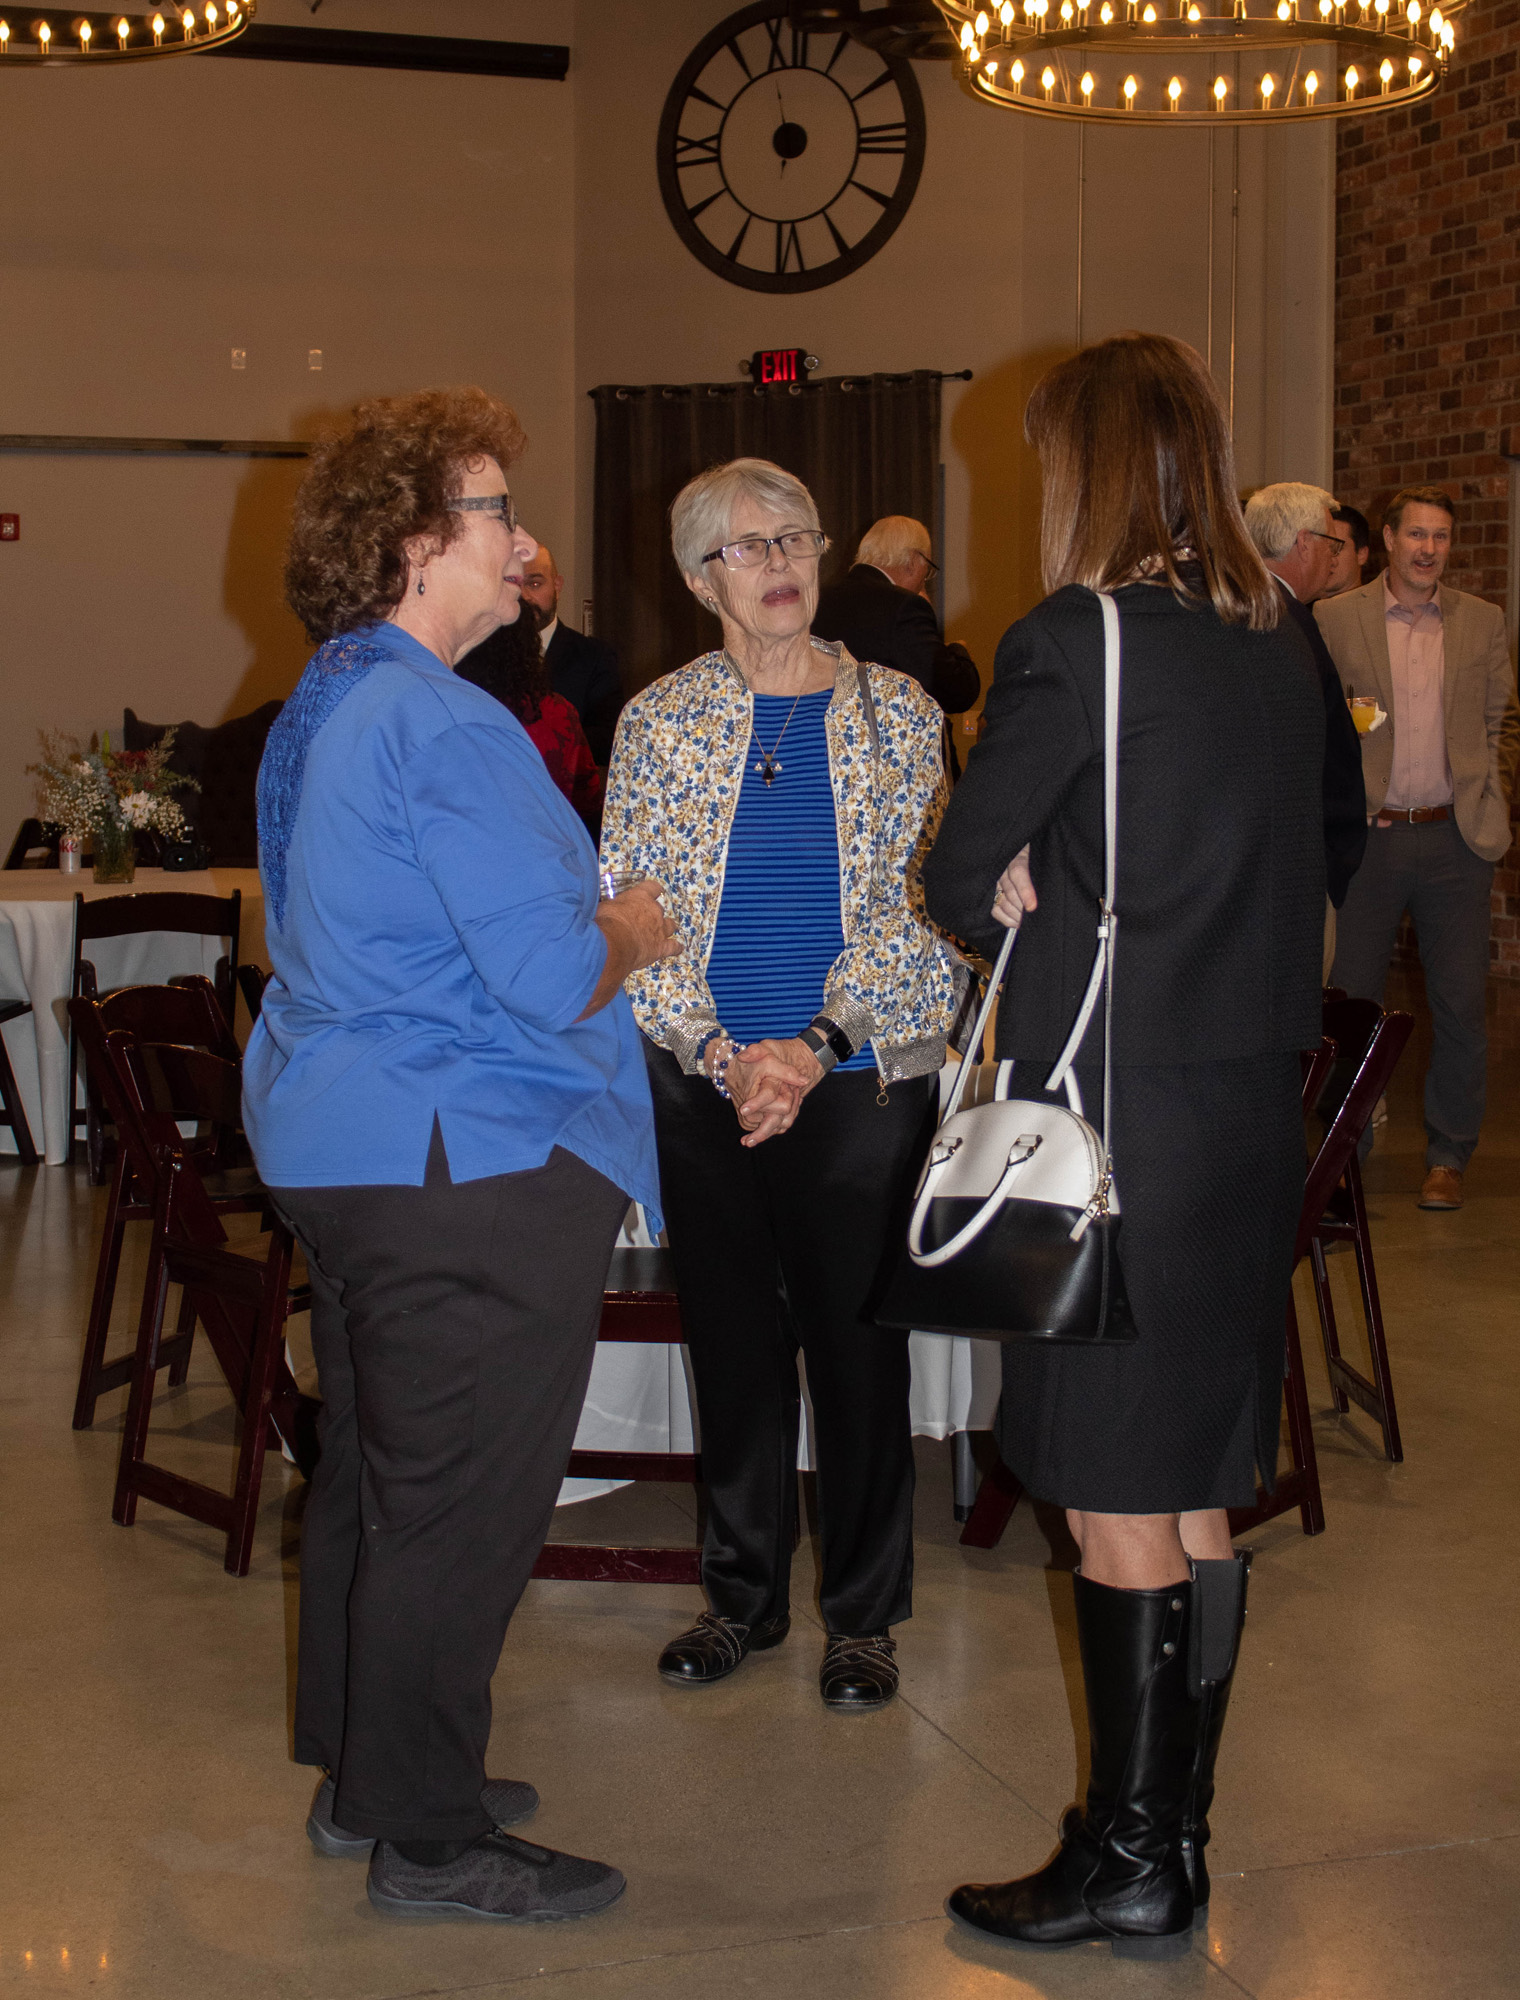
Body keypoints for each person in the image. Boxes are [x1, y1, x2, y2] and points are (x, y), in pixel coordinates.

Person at [243, 388, 680, 1924]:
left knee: (378, 1476)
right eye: (495, 509)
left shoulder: (330, 697)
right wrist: (634, 924)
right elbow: (550, 971)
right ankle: (426, 1839)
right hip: (463, 1158)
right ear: (416, 541)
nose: (525, 539)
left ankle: (370, 1774)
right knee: (457, 1504)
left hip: (352, 1140)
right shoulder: (438, 717)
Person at [924, 333, 1323, 1958]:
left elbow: (959, 873)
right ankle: (1158, 1839)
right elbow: (1321, 844)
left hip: (1106, 1126)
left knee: (1110, 1504)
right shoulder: (1281, 635)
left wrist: (1020, 883)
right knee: (1200, 1486)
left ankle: (1132, 1863)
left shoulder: (1069, 639)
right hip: (1243, 1113)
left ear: (1081, 469)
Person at [601, 457, 958, 1711]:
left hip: (855, 1081)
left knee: (858, 1353)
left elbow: (921, 918)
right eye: (746, 547)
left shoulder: (899, 713)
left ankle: (862, 1614)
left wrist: (809, 1046)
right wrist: (719, 1052)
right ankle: (740, 1596)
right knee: (733, 1345)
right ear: (700, 578)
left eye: (795, 537)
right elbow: (631, 914)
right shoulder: (659, 721)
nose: (779, 564)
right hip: (705, 1083)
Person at [1315, 485, 1520, 1210]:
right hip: (1370, 844)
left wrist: (1490, 795)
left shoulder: (1482, 621)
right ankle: (1341, 1157)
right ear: (1388, 540)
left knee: (1460, 1005)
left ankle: (1448, 1155)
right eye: (1416, 535)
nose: (1429, 550)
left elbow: (1503, 721)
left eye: (1440, 537)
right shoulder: (1336, 619)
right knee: (1350, 1005)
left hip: (1454, 841)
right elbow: (1320, 727)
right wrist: (1341, 810)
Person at [1243, 481, 1368, 968]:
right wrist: (1332, 861)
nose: (1335, 559)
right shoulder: (1281, 621)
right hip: (1292, 867)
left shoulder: (1251, 607)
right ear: (1303, 543)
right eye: (1332, 545)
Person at [456, 585, 603, 821]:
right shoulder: (559, 713)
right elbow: (588, 802)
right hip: (550, 836)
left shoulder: (452, 710)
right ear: (529, 644)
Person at [812, 515, 981, 716]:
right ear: (912, 562)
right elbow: (956, 693)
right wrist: (958, 650)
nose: (924, 582)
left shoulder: (818, 599)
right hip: (882, 732)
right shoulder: (905, 608)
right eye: (926, 570)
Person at [519, 542, 624, 765]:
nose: (524, 596)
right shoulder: (479, 656)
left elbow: (608, 740)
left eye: (535, 584)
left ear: (557, 586)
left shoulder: (595, 657)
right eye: (514, 584)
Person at [1325, 503, 1372, 596]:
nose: (1327, 560)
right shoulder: (1299, 603)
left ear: (1361, 554)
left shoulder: (1377, 604)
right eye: (1321, 548)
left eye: (1337, 548)